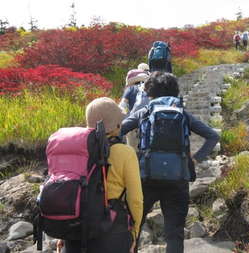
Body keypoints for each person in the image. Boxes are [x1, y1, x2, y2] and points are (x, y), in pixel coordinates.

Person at [120, 72, 220, 253]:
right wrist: (195, 159)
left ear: (150, 92)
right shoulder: (183, 114)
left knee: (133, 227)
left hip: (146, 178)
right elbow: (213, 136)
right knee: (174, 233)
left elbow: (118, 131)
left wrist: (126, 159)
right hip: (177, 180)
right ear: (175, 91)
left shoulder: (144, 111)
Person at [61, 97, 143, 253]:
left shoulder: (77, 149)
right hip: (111, 234)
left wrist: (63, 235)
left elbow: (70, 191)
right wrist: (134, 233)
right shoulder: (125, 153)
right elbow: (136, 200)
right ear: (118, 124)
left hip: (74, 233)